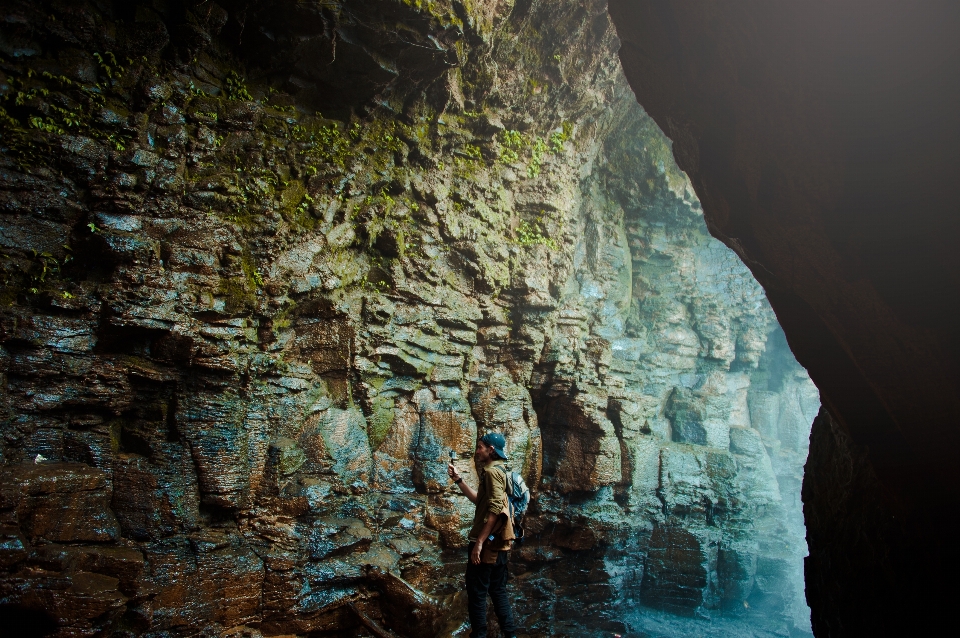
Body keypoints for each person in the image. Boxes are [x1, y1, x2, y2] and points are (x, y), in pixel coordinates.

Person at [447, 432, 518, 638]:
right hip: (499, 544)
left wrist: (479, 542)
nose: (477, 451)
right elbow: (481, 501)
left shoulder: (491, 472)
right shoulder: (499, 470)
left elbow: (495, 509)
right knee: (498, 591)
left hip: (487, 546)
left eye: (480, 447)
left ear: (491, 450)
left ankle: (479, 635)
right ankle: (510, 634)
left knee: (477, 593)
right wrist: (458, 479)